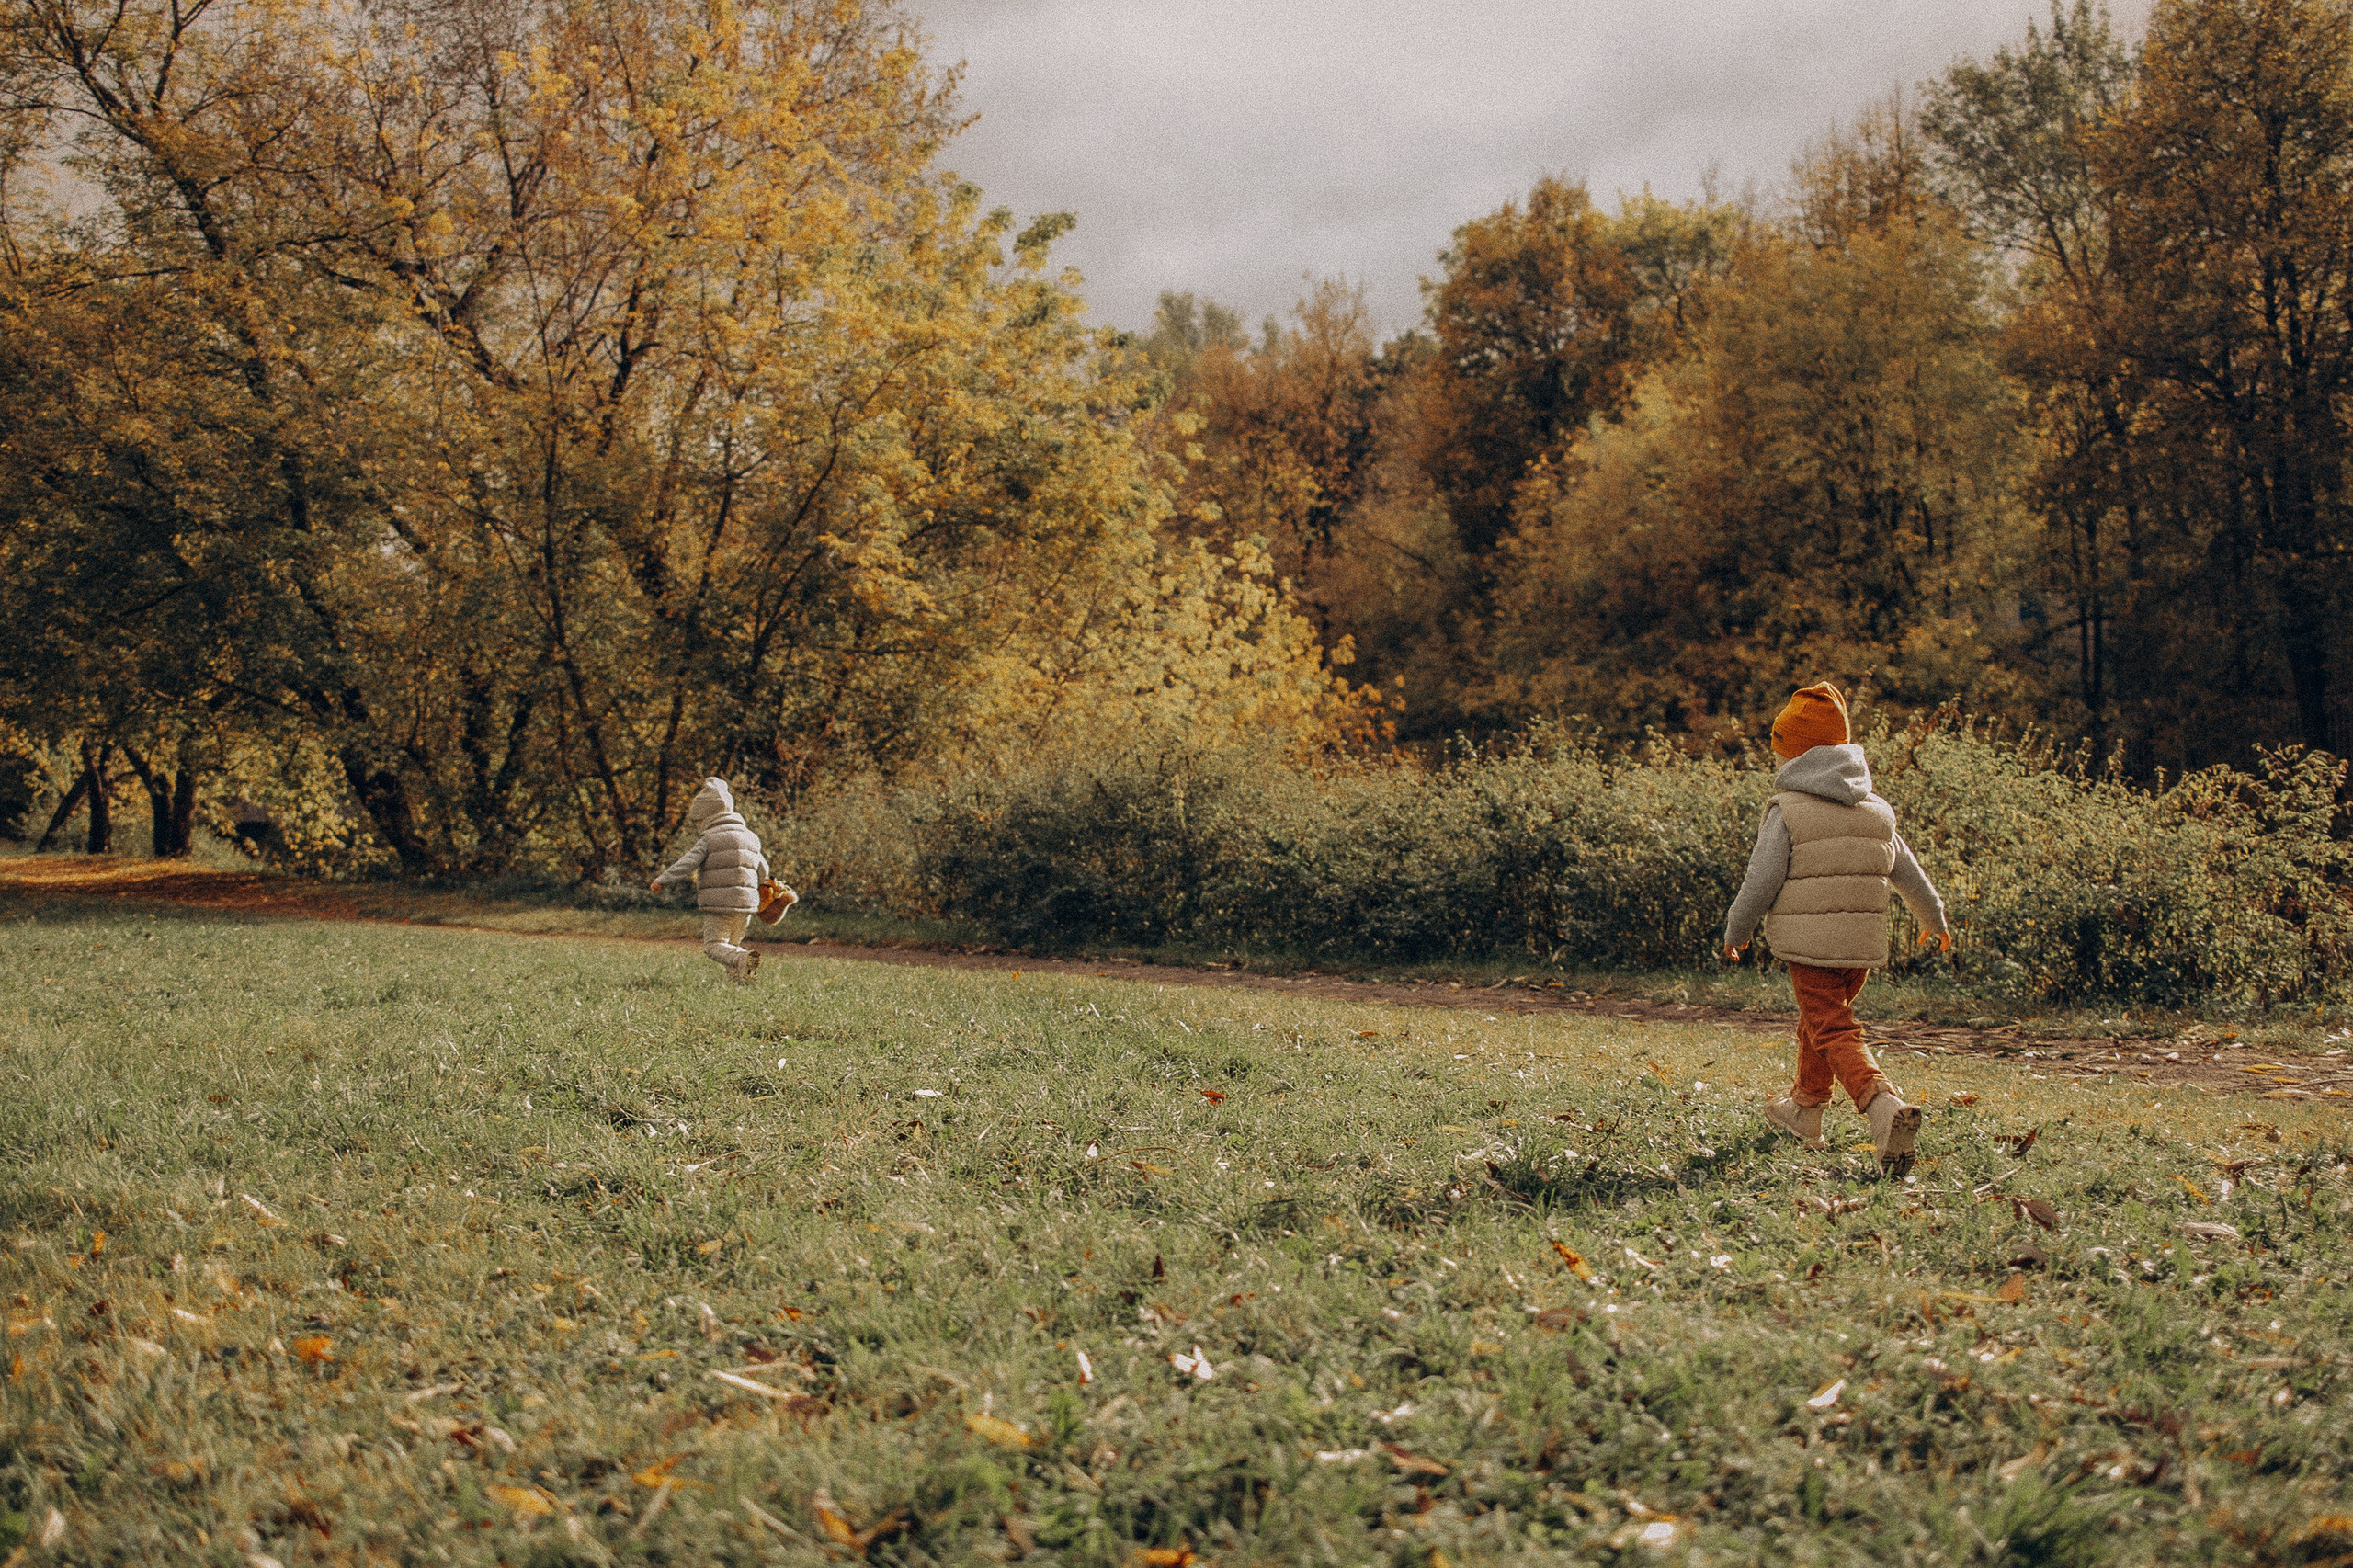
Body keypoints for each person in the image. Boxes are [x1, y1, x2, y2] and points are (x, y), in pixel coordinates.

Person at [1722, 683, 1950, 1171]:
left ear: (1793, 756)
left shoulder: (1787, 810)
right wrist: (1934, 917)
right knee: (1821, 1022)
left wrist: (1736, 930)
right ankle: (1805, 1110)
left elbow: (1761, 879)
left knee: (1833, 1026)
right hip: (1860, 948)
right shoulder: (1876, 811)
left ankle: (1882, 1104)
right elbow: (1907, 871)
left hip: (1810, 945)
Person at [651, 778, 771, 983]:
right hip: (747, 904)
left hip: (720, 903)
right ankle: (741, 981)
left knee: (714, 946)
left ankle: (743, 958)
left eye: (698, 821)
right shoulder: (751, 837)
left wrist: (664, 879)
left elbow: (688, 862)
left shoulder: (709, 838)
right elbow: (763, 869)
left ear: (706, 816)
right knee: (732, 944)